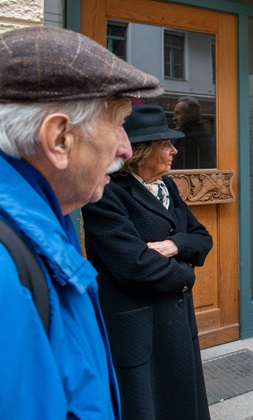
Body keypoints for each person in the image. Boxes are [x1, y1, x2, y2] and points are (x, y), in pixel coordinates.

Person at [0, 26, 162, 418]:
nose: (126, 148)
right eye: (119, 122)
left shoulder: (46, 222)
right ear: (58, 140)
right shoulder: (7, 264)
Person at [82, 104, 213, 420]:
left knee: (183, 405)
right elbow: (135, 266)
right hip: (140, 332)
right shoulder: (107, 194)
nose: (173, 151)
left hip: (177, 327)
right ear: (140, 152)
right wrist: (186, 272)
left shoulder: (166, 186)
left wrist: (173, 244)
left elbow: (202, 238)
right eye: (165, 145)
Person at [172, 96, 216, 168]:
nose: (174, 118)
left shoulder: (191, 140)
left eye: (178, 113)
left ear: (191, 116)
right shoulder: (202, 136)